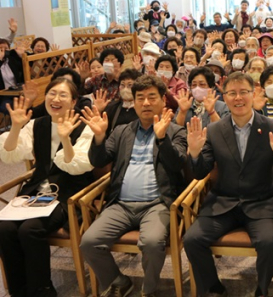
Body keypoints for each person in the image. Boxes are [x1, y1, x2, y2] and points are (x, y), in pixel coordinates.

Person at [183, 72, 273, 297]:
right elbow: (200, 172)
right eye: (232, 93)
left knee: (269, 243)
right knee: (192, 239)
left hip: (261, 202)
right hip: (223, 202)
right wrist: (194, 153)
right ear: (225, 97)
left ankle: (262, 290)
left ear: (253, 94)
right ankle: (214, 288)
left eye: (243, 92)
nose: (238, 98)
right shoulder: (214, 130)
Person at [80, 75, 187, 297]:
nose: (145, 103)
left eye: (151, 97)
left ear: (163, 101)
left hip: (157, 204)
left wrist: (161, 138)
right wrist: (99, 137)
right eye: (140, 98)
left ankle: (148, 290)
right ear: (134, 102)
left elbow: (178, 165)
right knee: (89, 242)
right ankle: (118, 281)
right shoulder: (122, 131)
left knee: (151, 242)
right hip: (121, 204)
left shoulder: (176, 131)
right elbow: (98, 161)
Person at [0, 79, 94, 297]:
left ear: (73, 101)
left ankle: (41, 288)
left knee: (30, 229)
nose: (56, 99)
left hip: (70, 192)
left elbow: (77, 166)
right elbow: (11, 153)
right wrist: (15, 126)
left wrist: (65, 139)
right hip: (37, 191)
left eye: (63, 95)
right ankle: (19, 290)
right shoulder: (37, 124)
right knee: (4, 228)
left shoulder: (84, 126)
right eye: (52, 93)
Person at [101, 68, 141, 136]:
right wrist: (100, 111)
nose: (125, 89)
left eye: (130, 85)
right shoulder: (112, 107)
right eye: (122, 85)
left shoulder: (143, 108)